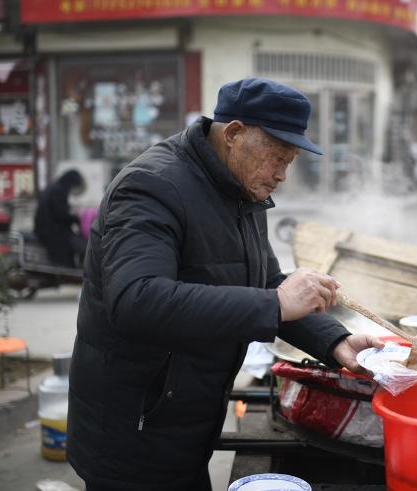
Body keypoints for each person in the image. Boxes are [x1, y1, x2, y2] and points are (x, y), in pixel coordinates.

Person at [67, 78, 384, 491]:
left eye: (289, 162)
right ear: (234, 134)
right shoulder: (150, 186)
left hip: (188, 426)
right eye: (276, 157)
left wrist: (335, 342)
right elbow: (136, 300)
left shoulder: (243, 191)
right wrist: (274, 305)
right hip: (135, 433)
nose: (282, 175)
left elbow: (266, 283)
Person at [33, 169, 87, 268]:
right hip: (54, 233)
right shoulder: (59, 191)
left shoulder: (52, 188)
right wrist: (76, 218)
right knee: (83, 246)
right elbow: (61, 214)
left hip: (45, 230)